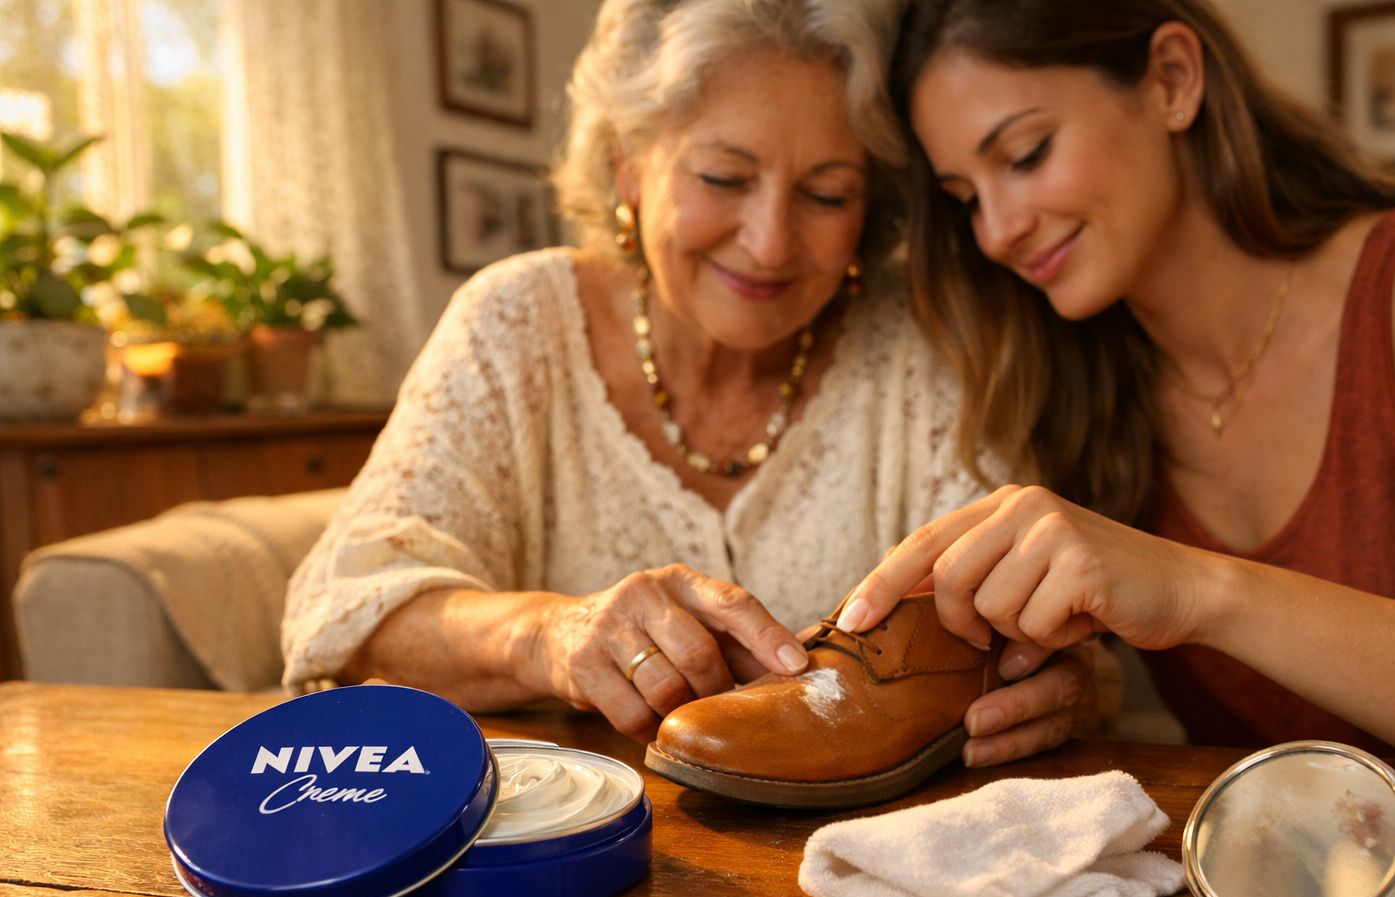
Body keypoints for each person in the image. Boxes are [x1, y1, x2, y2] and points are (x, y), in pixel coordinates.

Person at [280, 0, 1102, 754]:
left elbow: (1031, 624)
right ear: (629, 167)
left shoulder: (923, 343)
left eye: (826, 193)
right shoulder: (517, 322)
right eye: (723, 178)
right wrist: (552, 634)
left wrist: (1057, 679)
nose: (771, 241)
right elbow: (348, 608)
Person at [838, 0, 1395, 775]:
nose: (997, 230)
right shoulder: (1072, 385)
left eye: (1027, 154)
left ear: (1173, 79)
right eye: (965, 198)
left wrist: (1197, 593)